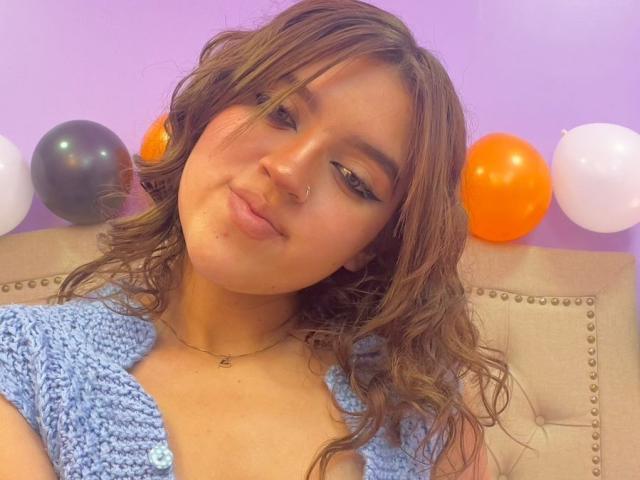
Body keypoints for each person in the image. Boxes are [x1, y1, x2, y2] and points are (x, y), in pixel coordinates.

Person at [0, 0, 515, 478]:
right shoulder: (26, 363)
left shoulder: (424, 421)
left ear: (371, 245)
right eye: (279, 111)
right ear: (212, 109)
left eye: (352, 177)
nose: (288, 170)